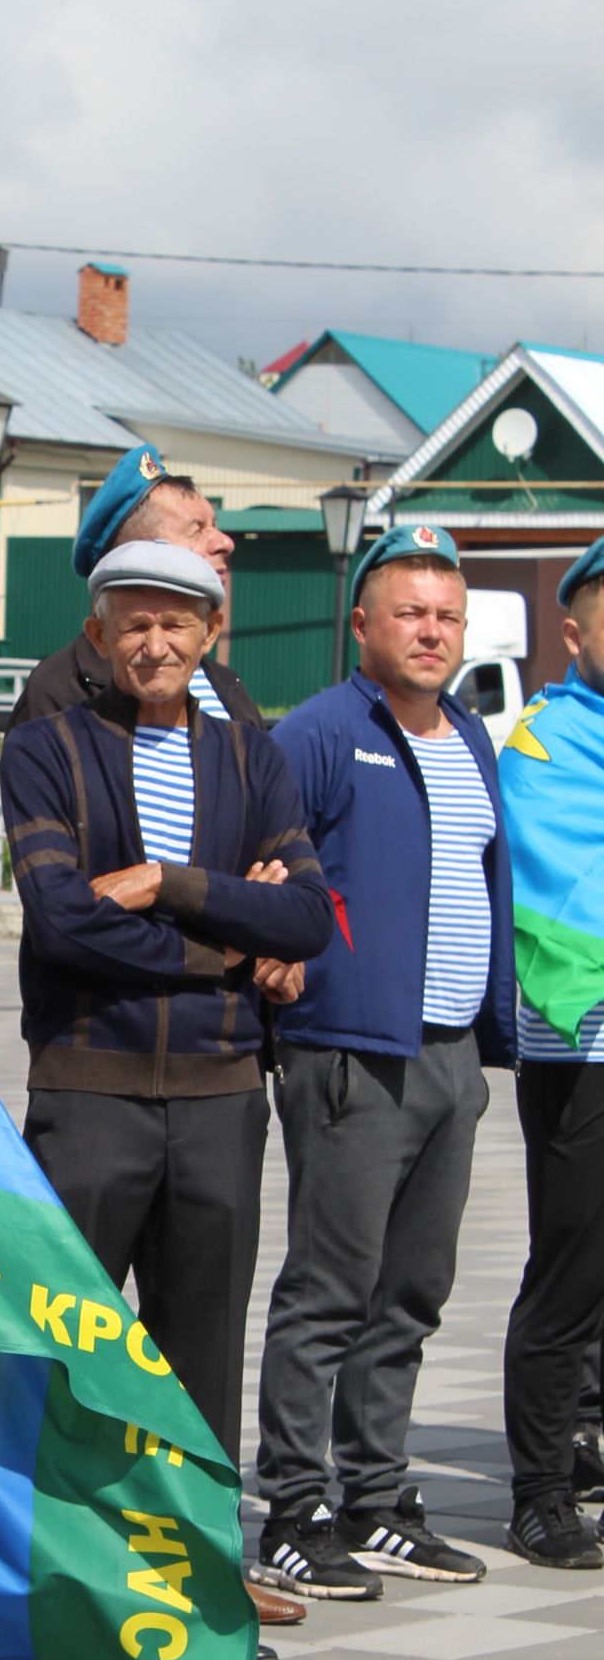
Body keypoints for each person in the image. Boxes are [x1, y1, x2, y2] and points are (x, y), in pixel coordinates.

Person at [0, 539, 332, 1569]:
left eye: (175, 623)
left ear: (210, 634)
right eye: (132, 623)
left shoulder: (252, 757)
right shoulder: (47, 748)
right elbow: (57, 922)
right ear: (97, 635)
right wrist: (228, 944)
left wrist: (165, 884)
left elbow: (310, 916)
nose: (154, 642)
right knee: (71, 1344)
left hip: (222, 1096)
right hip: (87, 1089)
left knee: (200, 1356)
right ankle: (59, 1582)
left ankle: (192, 1580)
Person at [254, 528, 509, 1598]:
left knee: (413, 1290)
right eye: (409, 612)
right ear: (362, 625)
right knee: (329, 1287)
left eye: (446, 615)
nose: (431, 631)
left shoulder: (471, 736)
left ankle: (375, 1495)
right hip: (350, 1052)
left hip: (450, 1055)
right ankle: (293, 1508)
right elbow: (264, 867)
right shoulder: (318, 733)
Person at [500, 540, 604, 1572]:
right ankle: (537, 1491)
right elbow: (566, 886)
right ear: (572, 632)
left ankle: (587, 1446)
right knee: (572, 1270)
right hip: (586, 1047)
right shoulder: (546, 740)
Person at [8, 443, 262, 729]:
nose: (224, 542)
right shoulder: (62, 691)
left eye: (214, 524)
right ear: (136, 557)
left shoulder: (227, 686)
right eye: (197, 529)